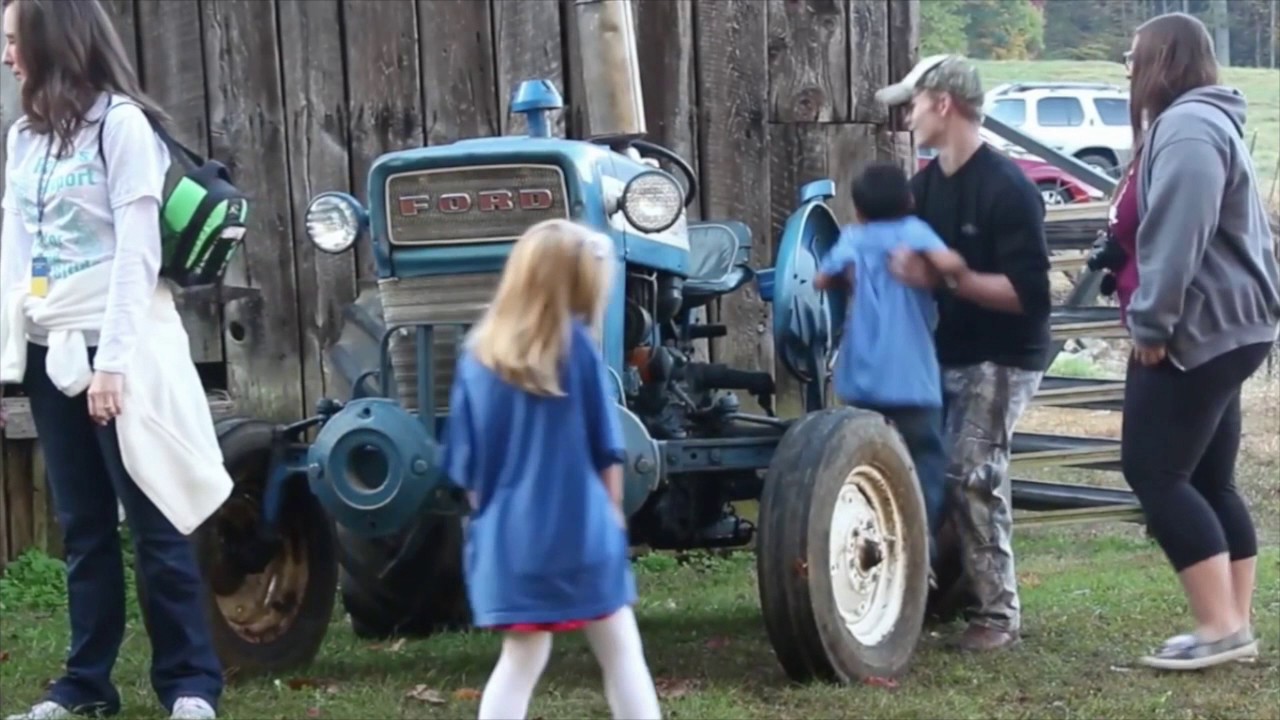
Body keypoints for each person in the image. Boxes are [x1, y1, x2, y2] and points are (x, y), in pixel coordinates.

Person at [1, 1, 230, 719]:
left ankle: (190, 684)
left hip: (121, 347)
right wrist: (10, 353)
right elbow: (17, 252)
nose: (7, 56)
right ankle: (85, 685)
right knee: (84, 528)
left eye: (13, 40)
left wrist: (115, 365)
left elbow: (138, 254)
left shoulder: (122, 126)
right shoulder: (24, 137)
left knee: (156, 518)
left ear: (51, 40)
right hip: (53, 346)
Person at [1108, 12, 1280, 671]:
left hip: (1195, 328)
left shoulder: (1187, 129)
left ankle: (1219, 627)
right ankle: (1234, 625)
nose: (1127, 68)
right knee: (1209, 478)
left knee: (1154, 472)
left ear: (1164, 60)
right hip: (1230, 326)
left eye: (1134, 55)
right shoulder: (1201, 123)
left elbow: (1180, 232)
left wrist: (1153, 323)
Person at [439, 219, 662, 719]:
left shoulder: (478, 358)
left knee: (521, 659)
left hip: (509, 540)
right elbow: (605, 449)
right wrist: (613, 517)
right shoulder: (576, 349)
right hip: (581, 532)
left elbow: (467, 470)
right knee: (621, 652)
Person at [874, 54, 1053, 652]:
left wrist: (950, 278)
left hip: (1005, 353)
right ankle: (935, 592)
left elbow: (1030, 298)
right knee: (927, 467)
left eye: (914, 103)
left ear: (943, 103)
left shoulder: (1008, 188)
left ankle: (998, 615)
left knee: (971, 472)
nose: (907, 116)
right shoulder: (924, 189)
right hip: (945, 350)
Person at [814, 161, 967, 555]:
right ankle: (920, 550)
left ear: (858, 209)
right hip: (911, 378)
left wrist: (849, 277)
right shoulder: (913, 232)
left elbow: (820, 278)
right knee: (924, 463)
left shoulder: (853, 238)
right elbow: (951, 264)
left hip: (862, 379)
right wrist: (932, 271)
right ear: (909, 200)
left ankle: (872, 542)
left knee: (865, 465)